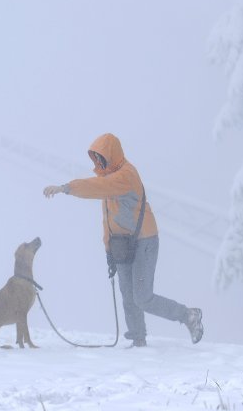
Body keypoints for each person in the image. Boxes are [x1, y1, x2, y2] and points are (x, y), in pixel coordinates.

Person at [43, 133, 203, 347]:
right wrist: (108, 249)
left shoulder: (125, 176)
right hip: (122, 244)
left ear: (112, 155)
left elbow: (96, 188)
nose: (98, 162)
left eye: (101, 157)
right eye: (95, 158)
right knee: (128, 295)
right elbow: (108, 220)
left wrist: (65, 188)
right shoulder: (108, 180)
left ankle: (188, 315)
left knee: (142, 298)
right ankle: (138, 340)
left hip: (144, 242)